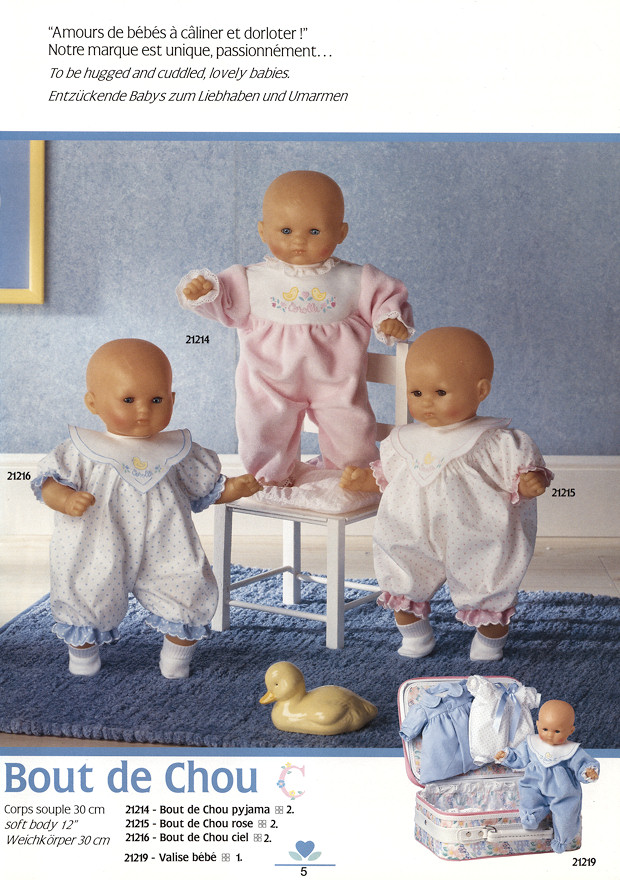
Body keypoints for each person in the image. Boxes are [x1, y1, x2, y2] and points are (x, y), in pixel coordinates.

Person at [31, 338, 261, 679]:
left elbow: (205, 488)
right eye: (128, 400)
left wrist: (232, 489)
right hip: (97, 542)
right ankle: (83, 657)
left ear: (172, 399)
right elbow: (47, 483)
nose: (144, 410)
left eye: (156, 400)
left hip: (167, 541)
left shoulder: (178, 451)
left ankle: (176, 658)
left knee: (187, 585)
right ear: (93, 403)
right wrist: (64, 498)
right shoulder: (81, 451)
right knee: (86, 589)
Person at [176, 170, 413, 486]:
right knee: (262, 423)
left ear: (341, 232)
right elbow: (222, 300)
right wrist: (204, 292)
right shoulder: (251, 280)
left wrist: (389, 319)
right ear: (263, 231)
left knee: (350, 426)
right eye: (286, 230)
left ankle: (353, 476)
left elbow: (385, 297)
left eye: (314, 231)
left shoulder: (354, 279)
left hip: (336, 379)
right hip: (270, 379)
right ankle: (267, 477)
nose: (299, 240)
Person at [340, 326, 552, 661]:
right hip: (409, 529)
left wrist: (529, 482)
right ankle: (416, 637)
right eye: (416, 392)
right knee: (402, 577)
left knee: (488, 583)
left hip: (476, 534)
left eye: (440, 392)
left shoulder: (494, 441)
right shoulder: (403, 441)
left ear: (480, 390)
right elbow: (390, 478)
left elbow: (522, 473)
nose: (426, 402)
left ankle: (489, 643)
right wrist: (364, 479)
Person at [495, 700, 599, 853]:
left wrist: (588, 771)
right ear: (537, 725)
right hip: (534, 783)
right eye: (545, 729)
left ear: (570, 730)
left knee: (567, 811)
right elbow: (520, 757)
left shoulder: (572, 750)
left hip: (562, 789)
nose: (550, 735)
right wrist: (507, 756)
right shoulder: (531, 743)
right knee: (529, 796)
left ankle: (562, 839)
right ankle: (531, 816)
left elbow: (582, 763)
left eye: (557, 731)